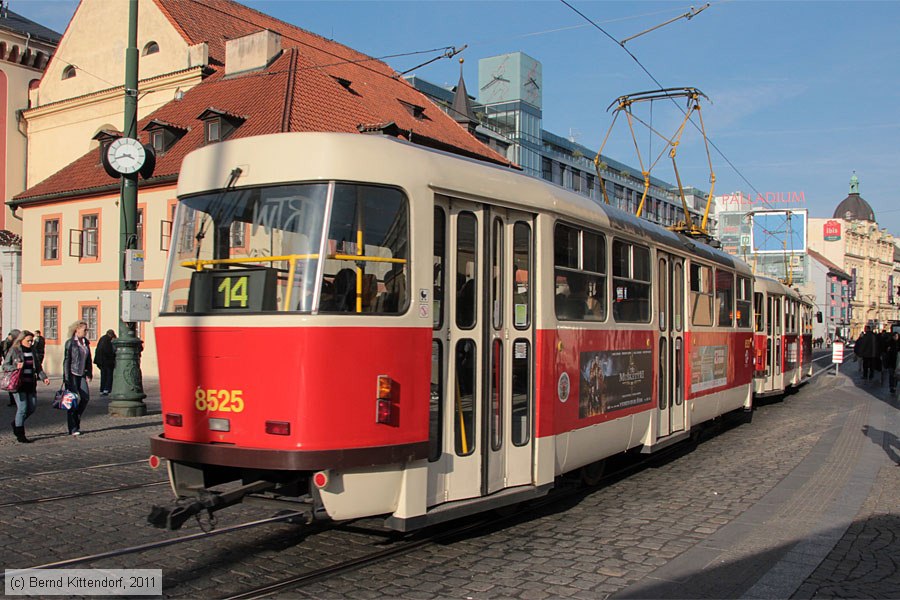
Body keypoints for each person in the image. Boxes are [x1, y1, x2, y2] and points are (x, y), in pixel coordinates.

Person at [2, 331, 50, 443]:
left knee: (32, 407)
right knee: (22, 408)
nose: (30, 342)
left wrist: (44, 377)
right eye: (28, 340)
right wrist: (15, 366)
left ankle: (16, 422)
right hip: (19, 383)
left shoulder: (32, 350)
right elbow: (5, 366)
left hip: (31, 383)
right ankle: (20, 433)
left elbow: (38, 366)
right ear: (21, 340)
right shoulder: (15, 350)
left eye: (31, 341)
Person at [62, 320, 92, 436]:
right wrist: (66, 377)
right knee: (72, 400)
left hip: (82, 373)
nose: (86, 332)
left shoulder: (85, 343)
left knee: (85, 397)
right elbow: (67, 361)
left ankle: (77, 416)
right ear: (77, 330)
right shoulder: (70, 343)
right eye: (84, 330)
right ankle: (73, 427)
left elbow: (88, 359)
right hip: (73, 374)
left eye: (86, 330)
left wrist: (89, 371)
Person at [94, 329, 117, 396]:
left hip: (101, 361)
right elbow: (108, 351)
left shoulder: (102, 339)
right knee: (109, 375)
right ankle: (107, 389)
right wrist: (113, 357)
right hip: (107, 361)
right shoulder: (108, 341)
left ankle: (102, 389)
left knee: (103, 375)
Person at [1, 329, 20, 406]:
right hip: (9, 364)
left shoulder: (15, 344)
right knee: (11, 381)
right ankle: (13, 400)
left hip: (14, 363)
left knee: (15, 381)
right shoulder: (6, 343)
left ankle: (15, 400)